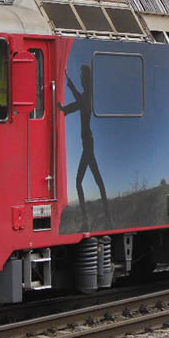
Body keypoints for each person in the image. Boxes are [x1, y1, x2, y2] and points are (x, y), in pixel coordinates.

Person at [59, 64, 111, 226]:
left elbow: (78, 102)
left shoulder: (87, 96)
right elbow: (76, 105)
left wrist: (69, 84)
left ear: (86, 79)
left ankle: (86, 220)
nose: (81, 80)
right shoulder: (85, 96)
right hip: (87, 143)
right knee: (97, 180)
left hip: (88, 143)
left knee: (80, 181)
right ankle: (105, 216)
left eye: (82, 77)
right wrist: (64, 109)